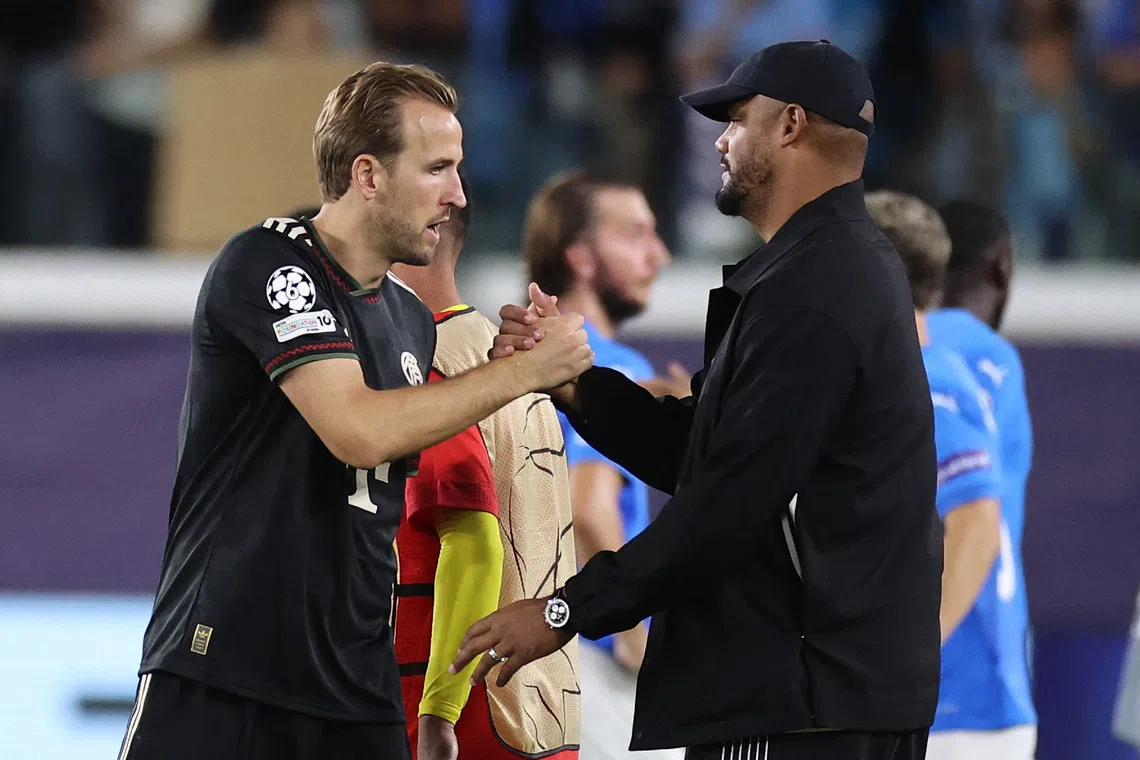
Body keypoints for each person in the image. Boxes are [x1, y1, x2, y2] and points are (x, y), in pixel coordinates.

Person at [452, 41, 942, 760]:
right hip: (823, 693)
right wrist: (572, 384)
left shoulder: (819, 289)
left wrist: (565, 610)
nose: (721, 139)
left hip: (802, 698)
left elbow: (729, 502)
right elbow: (703, 451)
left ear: (791, 124)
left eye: (737, 118)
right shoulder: (827, 270)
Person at [118, 62, 592, 760]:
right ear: (367, 175)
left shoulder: (409, 320)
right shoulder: (273, 266)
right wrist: (523, 372)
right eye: (436, 168)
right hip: (224, 671)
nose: (457, 193)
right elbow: (359, 432)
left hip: (354, 683)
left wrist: (501, 371)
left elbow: (414, 455)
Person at [389, 178, 581, 760]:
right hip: (544, 713)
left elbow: (474, 544)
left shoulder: (425, 365)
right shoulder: (509, 360)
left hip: (461, 716)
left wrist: (436, 715)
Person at [520, 170, 684, 760]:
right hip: (590, 646)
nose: (658, 255)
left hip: (532, 648)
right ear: (582, 258)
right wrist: (631, 632)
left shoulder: (520, 358)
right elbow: (588, 505)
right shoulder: (602, 362)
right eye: (636, 235)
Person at [925, 200, 1037, 759]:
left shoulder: (885, 351)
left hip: (891, 692)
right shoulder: (988, 358)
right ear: (1003, 268)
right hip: (974, 693)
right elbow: (977, 519)